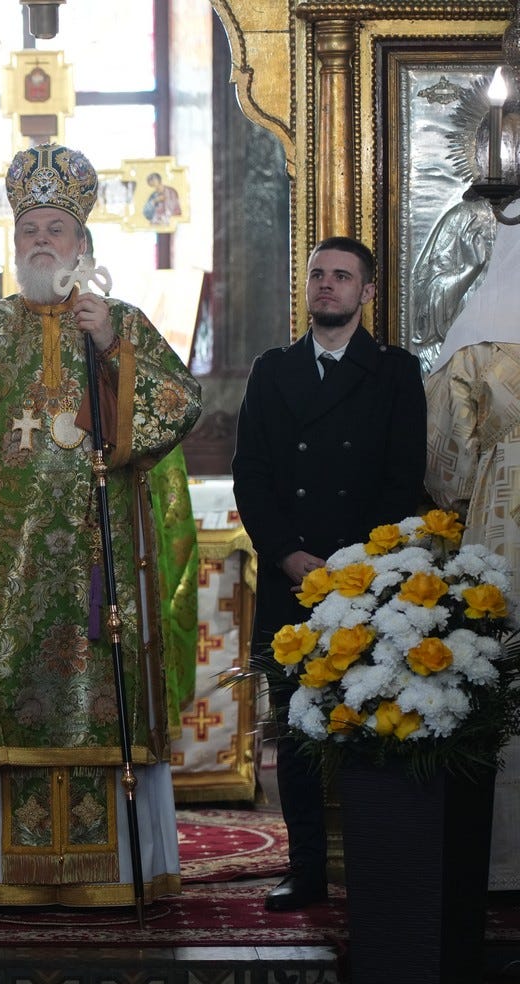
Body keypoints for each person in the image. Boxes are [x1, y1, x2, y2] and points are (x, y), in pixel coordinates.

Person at [0, 143, 202, 909]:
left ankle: (120, 872)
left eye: (57, 229)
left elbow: (179, 407)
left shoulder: (122, 325)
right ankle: (9, 877)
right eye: (30, 229)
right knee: (18, 700)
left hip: (104, 565)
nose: (41, 242)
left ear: (82, 244)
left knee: (108, 701)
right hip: (14, 572)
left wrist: (111, 346)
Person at [232, 236, 427, 911]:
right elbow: (251, 476)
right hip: (290, 577)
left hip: (367, 582)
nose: (327, 285)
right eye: (318, 274)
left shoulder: (395, 373)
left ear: (367, 292)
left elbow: (404, 479)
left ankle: (378, 871)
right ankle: (306, 869)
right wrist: (287, 553)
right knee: (296, 732)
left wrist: (353, 567)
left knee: (373, 722)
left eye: (343, 276)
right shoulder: (271, 370)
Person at [423, 199, 520, 892]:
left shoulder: (477, 343)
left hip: (501, 525)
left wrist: (466, 503)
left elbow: (445, 463)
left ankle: (502, 858)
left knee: (505, 670)